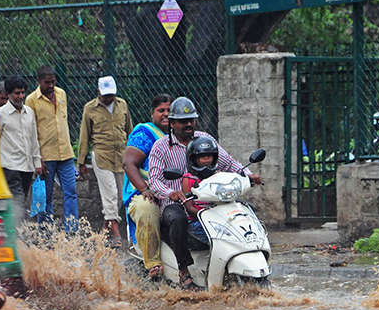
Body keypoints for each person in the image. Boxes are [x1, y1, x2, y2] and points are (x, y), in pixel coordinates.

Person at [147, 96, 261, 290]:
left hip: (210, 201)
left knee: (244, 210)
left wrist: (249, 175)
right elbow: (155, 180)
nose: (189, 124)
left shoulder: (205, 140)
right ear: (172, 123)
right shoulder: (161, 147)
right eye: (183, 121)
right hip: (175, 204)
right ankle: (184, 271)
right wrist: (171, 192)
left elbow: (229, 163)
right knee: (176, 219)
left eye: (191, 119)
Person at [77, 75, 132, 248]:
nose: (109, 98)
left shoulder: (122, 105)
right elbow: (84, 136)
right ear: (99, 92)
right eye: (106, 94)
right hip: (102, 157)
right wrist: (81, 162)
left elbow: (129, 129)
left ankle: (105, 230)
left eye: (112, 95)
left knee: (120, 197)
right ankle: (116, 233)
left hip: (122, 157)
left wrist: (134, 154)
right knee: (110, 195)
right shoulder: (90, 109)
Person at [122, 93, 171, 280]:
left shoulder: (180, 133)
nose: (165, 114)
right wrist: (144, 189)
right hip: (143, 192)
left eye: (169, 110)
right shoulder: (145, 133)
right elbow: (128, 163)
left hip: (173, 191)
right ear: (152, 114)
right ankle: (153, 263)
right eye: (161, 111)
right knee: (147, 208)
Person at [25, 65, 78, 233]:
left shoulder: (61, 94)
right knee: (45, 196)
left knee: (71, 192)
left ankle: (72, 230)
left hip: (66, 153)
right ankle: (46, 231)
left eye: (53, 82)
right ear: (39, 81)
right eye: (47, 82)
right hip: (46, 156)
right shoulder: (31, 100)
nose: (51, 85)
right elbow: (31, 131)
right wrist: (37, 158)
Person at [0, 75, 42, 217]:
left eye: (23, 92)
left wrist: (37, 163)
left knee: (20, 201)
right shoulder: (0, 114)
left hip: (27, 167)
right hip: (9, 166)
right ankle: (19, 234)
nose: (21, 96)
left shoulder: (29, 113)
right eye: (17, 93)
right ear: (8, 94)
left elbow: (34, 139)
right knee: (18, 201)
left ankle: (14, 231)